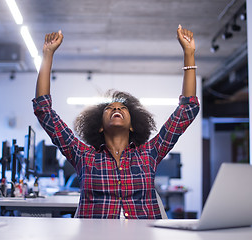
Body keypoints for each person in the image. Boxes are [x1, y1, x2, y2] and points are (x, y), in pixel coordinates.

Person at [33, 25, 200, 219]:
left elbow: (187, 110)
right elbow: (43, 111)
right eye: (109, 108)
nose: (116, 109)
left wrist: (189, 54)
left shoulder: (149, 154)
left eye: (122, 108)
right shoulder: (84, 156)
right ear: (100, 125)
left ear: (132, 125)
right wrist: (47, 55)